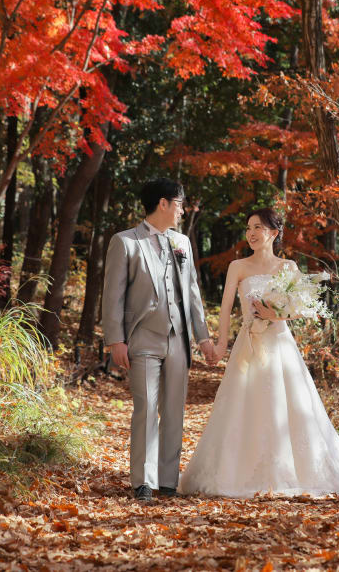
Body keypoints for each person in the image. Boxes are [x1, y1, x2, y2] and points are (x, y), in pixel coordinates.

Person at [179, 208, 339, 497]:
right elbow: (226, 308)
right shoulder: (238, 266)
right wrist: (220, 345)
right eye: (248, 228)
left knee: (285, 402)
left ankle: (290, 473)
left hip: (279, 344)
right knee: (243, 404)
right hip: (248, 344)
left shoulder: (288, 267)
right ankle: (236, 473)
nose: (251, 233)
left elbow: (299, 308)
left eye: (258, 227)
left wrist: (277, 314)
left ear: (274, 233)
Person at [102, 178, 216, 501]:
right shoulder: (125, 242)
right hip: (142, 339)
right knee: (146, 408)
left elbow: (192, 293)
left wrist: (203, 336)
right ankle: (142, 480)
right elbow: (113, 296)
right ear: (162, 204)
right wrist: (115, 340)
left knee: (174, 410)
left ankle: (168, 480)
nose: (182, 209)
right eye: (179, 203)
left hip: (177, 338)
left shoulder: (182, 242)